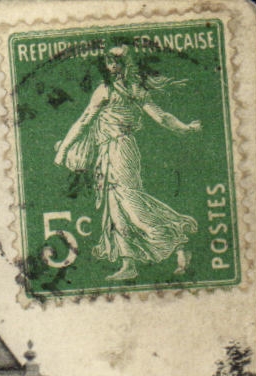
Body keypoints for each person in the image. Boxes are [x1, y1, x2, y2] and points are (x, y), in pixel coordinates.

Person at [54, 44, 202, 281]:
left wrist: (186, 128)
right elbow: (83, 121)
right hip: (105, 153)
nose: (112, 66)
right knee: (115, 211)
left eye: (116, 62)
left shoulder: (133, 90)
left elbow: (161, 117)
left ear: (126, 64)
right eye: (109, 62)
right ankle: (128, 263)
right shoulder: (104, 90)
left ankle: (178, 239)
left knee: (132, 205)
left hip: (122, 150)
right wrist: (63, 149)